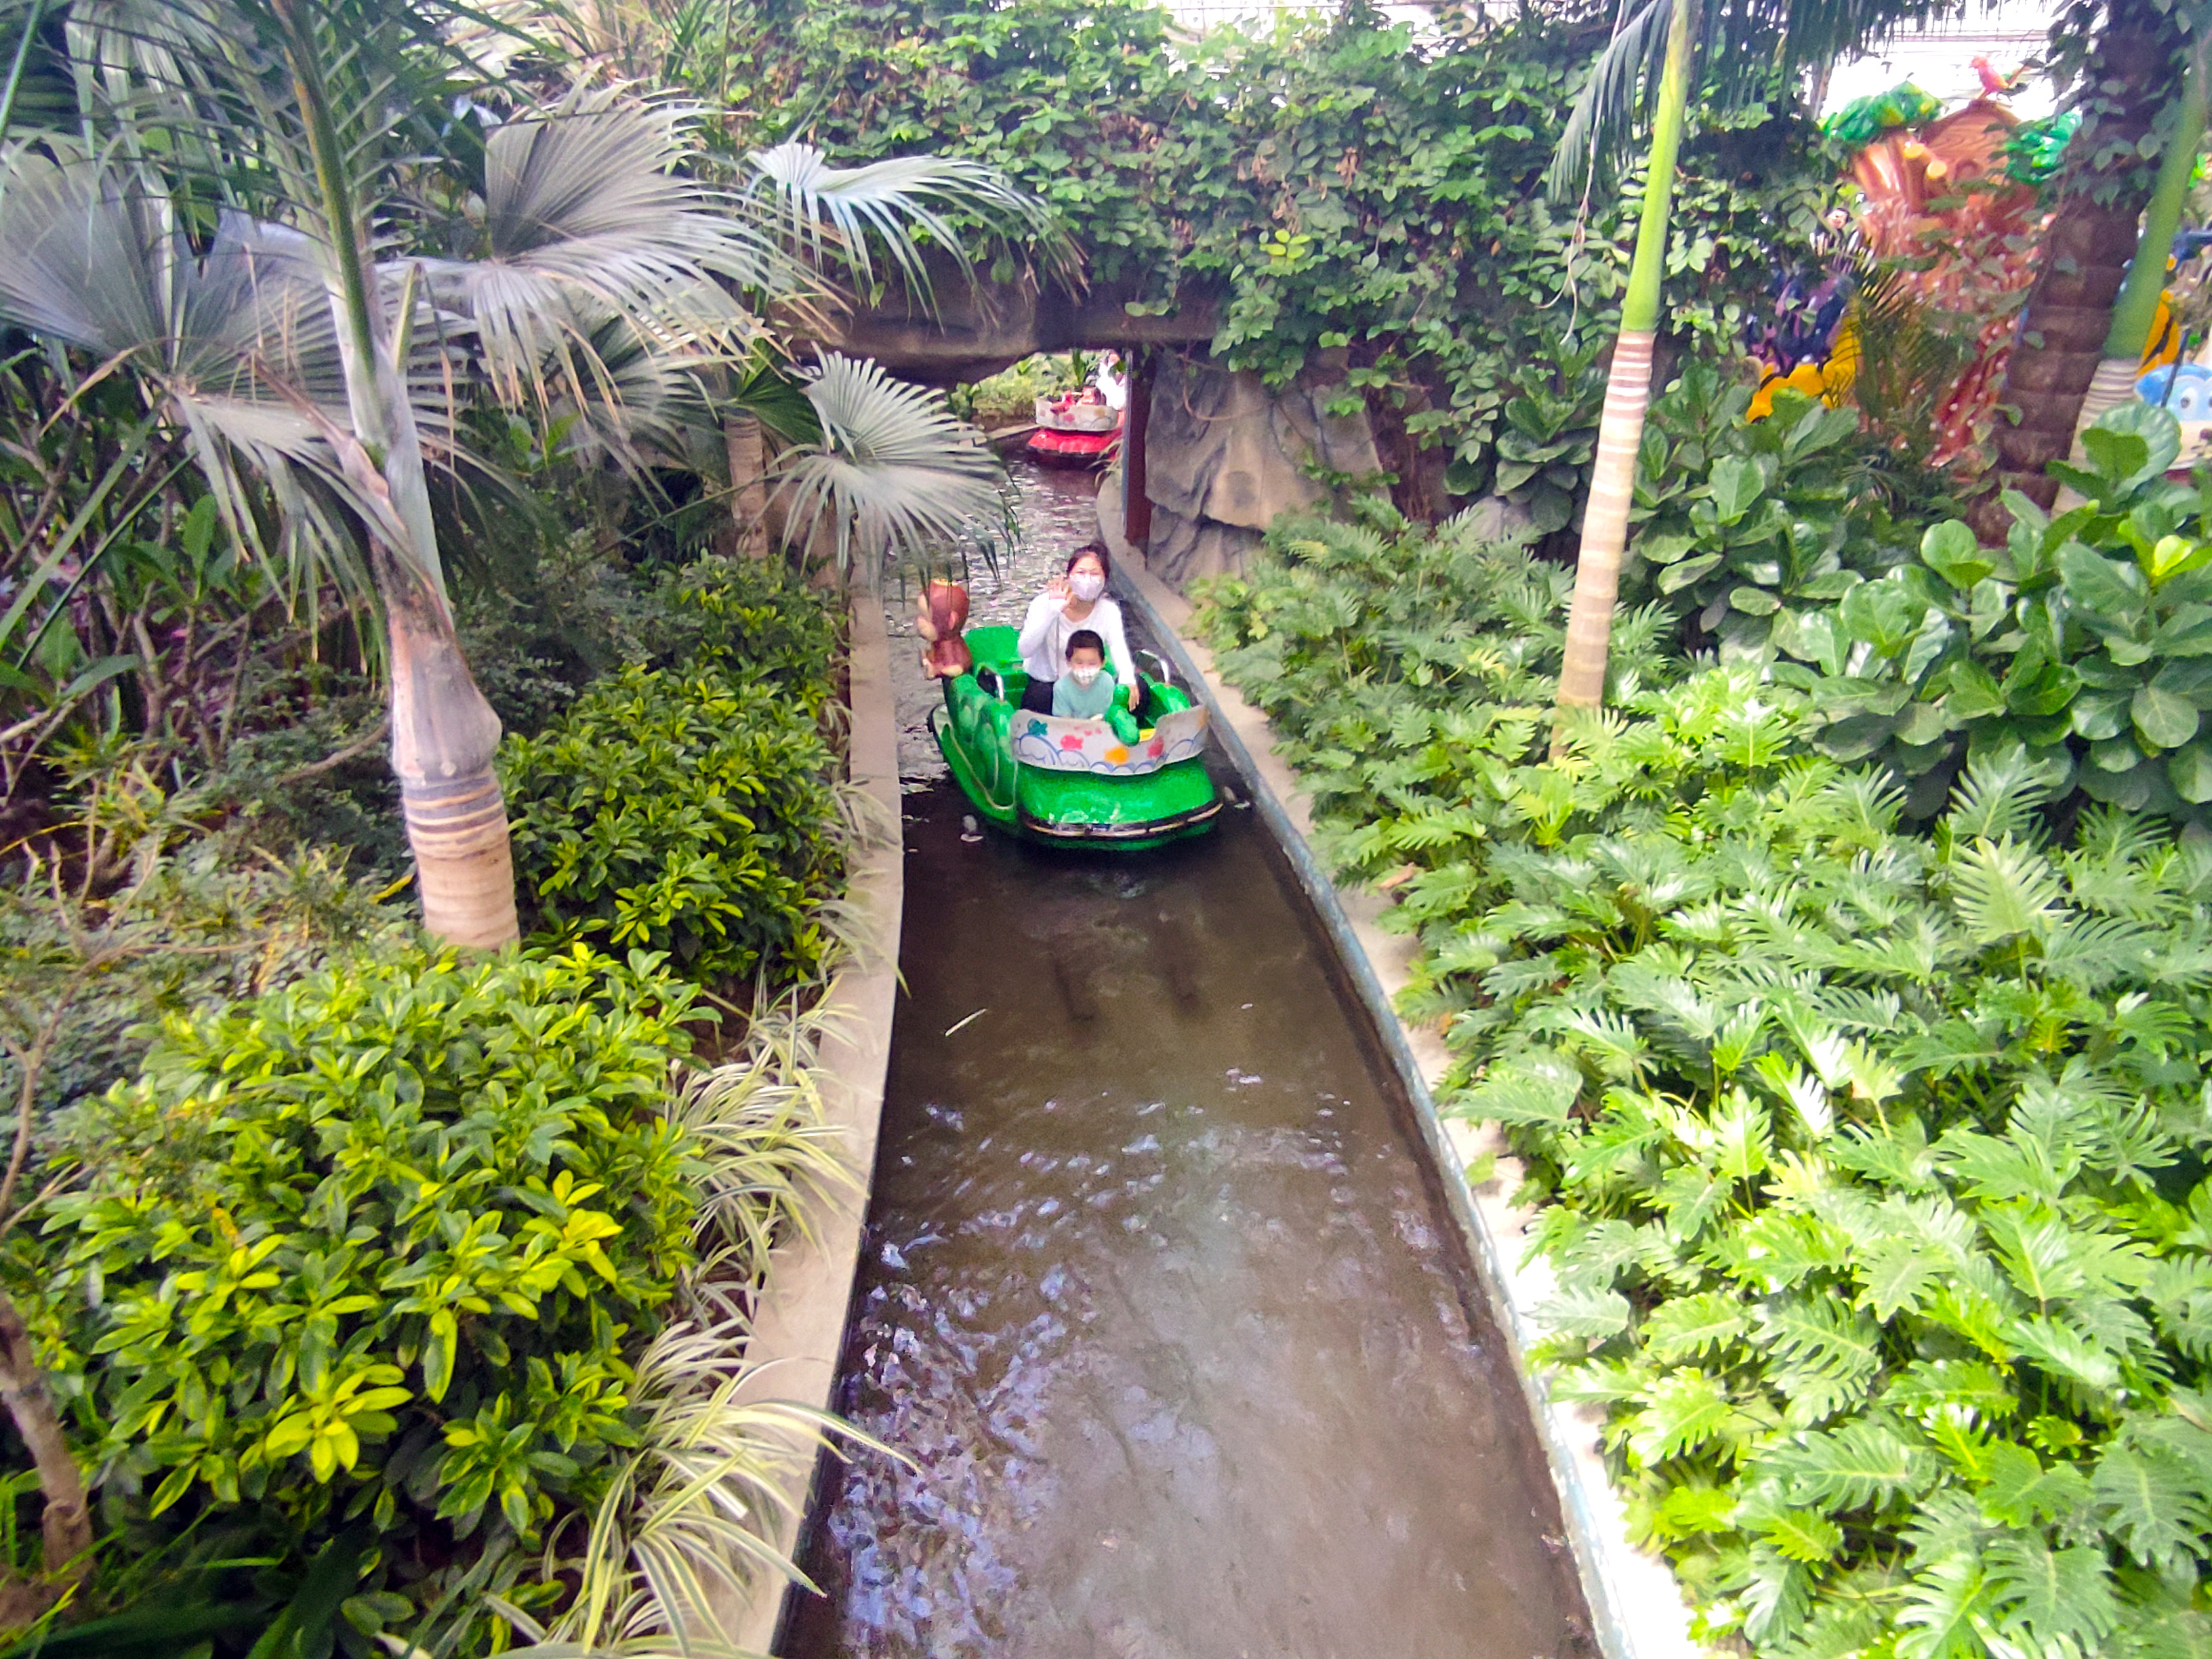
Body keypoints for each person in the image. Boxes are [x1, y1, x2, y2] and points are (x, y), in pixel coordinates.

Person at [1017, 544, 1134, 715]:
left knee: (1139, 689)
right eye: (1081, 573)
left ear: (1104, 580)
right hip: (1048, 686)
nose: (1087, 580)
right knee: (1041, 696)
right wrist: (1052, 611)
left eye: (1094, 574)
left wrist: (1128, 680)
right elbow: (1024, 650)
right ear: (1069, 576)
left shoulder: (1108, 610)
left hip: (1088, 684)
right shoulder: (1043, 603)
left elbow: (1118, 647)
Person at [1051, 630, 1116, 719]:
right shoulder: (1061, 688)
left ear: (1103, 662)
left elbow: (1111, 714)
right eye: (1079, 663)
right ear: (1068, 661)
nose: (1085, 669)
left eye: (1092, 663)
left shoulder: (1107, 682)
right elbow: (1064, 723)